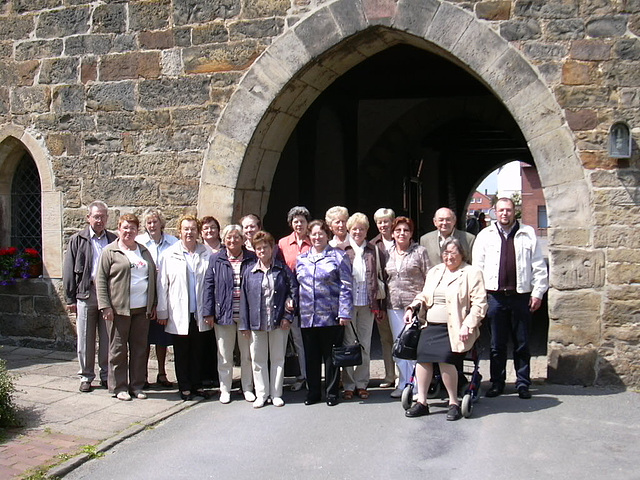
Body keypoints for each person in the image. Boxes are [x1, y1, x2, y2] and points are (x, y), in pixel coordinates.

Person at [403, 237, 487, 420]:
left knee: (445, 360)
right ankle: (422, 402)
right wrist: (412, 307)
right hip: (431, 326)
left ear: (462, 254)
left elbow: (479, 305)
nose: (449, 257)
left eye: (453, 253)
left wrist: (468, 325)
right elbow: (425, 295)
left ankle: (453, 403)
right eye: (445, 253)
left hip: (456, 328)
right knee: (423, 359)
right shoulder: (435, 271)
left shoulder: (471, 273)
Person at [472, 197, 548, 399]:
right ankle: (497, 383)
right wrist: (479, 297)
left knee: (522, 343)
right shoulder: (485, 235)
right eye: (501, 210)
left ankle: (523, 383)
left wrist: (538, 293)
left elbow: (538, 266)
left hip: (520, 296)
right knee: (497, 344)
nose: (504, 213)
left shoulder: (527, 233)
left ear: (515, 212)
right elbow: (477, 269)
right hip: (495, 297)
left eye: (508, 210)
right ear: (494, 212)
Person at [96, 214, 157, 401]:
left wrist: (153, 304)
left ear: (137, 231)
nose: (128, 231)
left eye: (132, 228)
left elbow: (152, 277)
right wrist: (105, 306)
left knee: (140, 349)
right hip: (118, 310)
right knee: (118, 350)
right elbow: (100, 280)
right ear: (118, 229)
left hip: (141, 309)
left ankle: (137, 385)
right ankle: (119, 387)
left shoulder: (144, 251)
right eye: (125, 227)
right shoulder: (110, 251)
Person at [296, 220, 352, 406]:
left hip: (331, 315)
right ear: (308, 236)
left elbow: (346, 286)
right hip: (307, 316)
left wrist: (344, 312)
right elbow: (298, 286)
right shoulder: (301, 259)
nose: (317, 237)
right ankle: (313, 393)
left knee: (331, 357)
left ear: (328, 235)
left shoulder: (339, 256)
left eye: (321, 233)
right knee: (311, 356)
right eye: (313, 234)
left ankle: (331, 393)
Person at [240, 231, 298, 408]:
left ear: (272, 248)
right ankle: (262, 394)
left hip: (278, 321)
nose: (262, 250)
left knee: (278, 358)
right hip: (257, 323)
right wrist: (244, 324)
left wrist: (288, 316)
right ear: (255, 250)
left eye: (265, 247)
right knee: (258, 360)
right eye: (258, 248)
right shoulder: (250, 271)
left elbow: (293, 291)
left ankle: (276, 393)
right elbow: (244, 299)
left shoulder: (282, 269)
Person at [156, 215, 212, 401]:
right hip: (178, 311)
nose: (189, 232)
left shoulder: (206, 253)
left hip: (199, 311)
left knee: (198, 351)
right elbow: (162, 285)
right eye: (186, 229)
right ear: (179, 231)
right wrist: (162, 311)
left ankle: (197, 384)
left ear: (197, 232)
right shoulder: (169, 254)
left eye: (193, 229)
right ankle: (184, 386)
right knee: (181, 352)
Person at [63, 201, 116, 393]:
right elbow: (69, 270)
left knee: (107, 338)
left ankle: (105, 375)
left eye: (102, 216)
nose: (99, 220)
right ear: (88, 218)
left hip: (107, 295)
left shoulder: (113, 239)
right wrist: (70, 299)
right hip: (86, 293)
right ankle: (86, 376)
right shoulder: (78, 240)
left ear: (107, 218)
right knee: (85, 338)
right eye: (96, 216)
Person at [203, 224, 257, 404]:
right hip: (223, 314)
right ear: (224, 240)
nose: (232, 240)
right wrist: (208, 312)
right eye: (229, 237)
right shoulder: (216, 259)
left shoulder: (252, 258)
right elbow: (208, 285)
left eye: (236, 237)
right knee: (224, 355)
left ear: (242, 240)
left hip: (245, 315)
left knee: (247, 354)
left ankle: (247, 387)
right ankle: (225, 389)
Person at [385, 216, 430, 398]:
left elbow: (429, 278)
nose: (401, 233)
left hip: (415, 305)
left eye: (406, 230)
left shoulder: (420, 251)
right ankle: (404, 383)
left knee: (413, 345)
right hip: (393, 304)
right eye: (398, 230)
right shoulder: (387, 252)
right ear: (393, 233)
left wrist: (422, 302)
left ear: (411, 233)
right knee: (399, 345)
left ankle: (419, 386)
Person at [136, 208, 178, 389]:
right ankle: (143, 375)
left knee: (162, 338)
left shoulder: (173, 242)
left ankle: (162, 373)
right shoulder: (139, 243)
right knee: (144, 338)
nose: (152, 225)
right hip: (144, 297)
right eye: (149, 222)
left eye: (155, 222)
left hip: (165, 296)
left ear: (162, 223)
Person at [342, 213, 382, 400]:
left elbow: (377, 275)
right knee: (349, 345)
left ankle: (362, 383)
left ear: (367, 231)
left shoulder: (372, 250)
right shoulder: (343, 249)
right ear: (349, 230)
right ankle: (348, 384)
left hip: (367, 303)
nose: (358, 232)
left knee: (365, 345)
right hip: (349, 304)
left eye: (362, 228)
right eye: (355, 228)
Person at [277, 206, 312, 392]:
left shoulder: (313, 242)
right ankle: (299, 376)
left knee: (308, 340)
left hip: (310, 298)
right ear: (291, 223)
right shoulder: (282, 244)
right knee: (295, 339)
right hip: (290, 297)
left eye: (302, 221)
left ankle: (309, 375)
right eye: (295, 221)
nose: (299, 224)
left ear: (308, 223)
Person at [369, 207, 396, 389]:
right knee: (386, 339)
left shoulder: (403, 239)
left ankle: (406, 376)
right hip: (383, 298)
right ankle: (389, 375)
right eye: (380, 222)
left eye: (386, 221)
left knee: (403, 339)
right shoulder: (372, 245)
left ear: (393, 222)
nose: (383, 225)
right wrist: (377, 305)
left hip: (402, 298)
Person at [199, 215, 222, 387]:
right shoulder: (199, 250)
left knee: (220, 341)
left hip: (222, 299)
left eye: (213, 227)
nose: (209, 231)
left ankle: (219, 374)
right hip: (205, 299)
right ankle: (206, 374)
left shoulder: (224, 248)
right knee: (205, 339)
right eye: (205, 228)